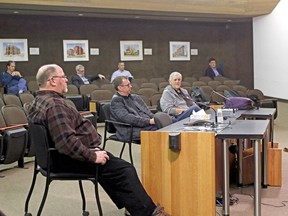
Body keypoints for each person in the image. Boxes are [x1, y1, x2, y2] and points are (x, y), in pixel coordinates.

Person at [28, 64, 169, 216]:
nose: (67, 80)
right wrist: (92, 155)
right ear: (53, 81)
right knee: (124, 169)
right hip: (64, 159)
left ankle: (134, 206)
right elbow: (66, 143)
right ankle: (147, 213)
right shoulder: (55, 105)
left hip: (52, 158)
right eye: (63, 77)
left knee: (113, 165)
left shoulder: (38, 101)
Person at [110, 76, 157, 140]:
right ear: (120, 88)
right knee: (161, 132)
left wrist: (156, 119)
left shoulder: (135, 97)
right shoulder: (116, 101)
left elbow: (148, 112)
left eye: (130, 84)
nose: (131, 86)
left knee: (166, 125)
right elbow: (127, 118)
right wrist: (149, 121)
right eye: (128, 85)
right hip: (131, 129)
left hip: (146, 125)